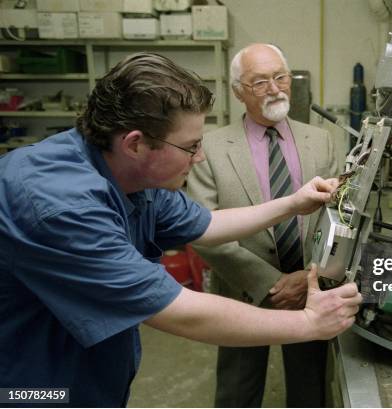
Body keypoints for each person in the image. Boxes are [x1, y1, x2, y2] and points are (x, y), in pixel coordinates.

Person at [0, 52, 361, 408]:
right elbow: (180, 311)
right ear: (136, 143)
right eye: (190, 147)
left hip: (89, 375)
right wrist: (310, 323)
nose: (200, 156)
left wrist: (293, 203)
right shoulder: (60, 206)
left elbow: (207, 224)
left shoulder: (133, 175)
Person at [186, 43, 339, 407]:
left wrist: (310, 275)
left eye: (280, 77)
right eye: (259, 82)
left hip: (308, 287)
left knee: (311, 388)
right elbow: (201, 229)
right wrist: (268, 284)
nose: (274, 88)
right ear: (239, 91)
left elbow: (337, 218)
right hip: (243, 288)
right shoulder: (210, 147)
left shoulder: (321, 140)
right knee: (238, 390)